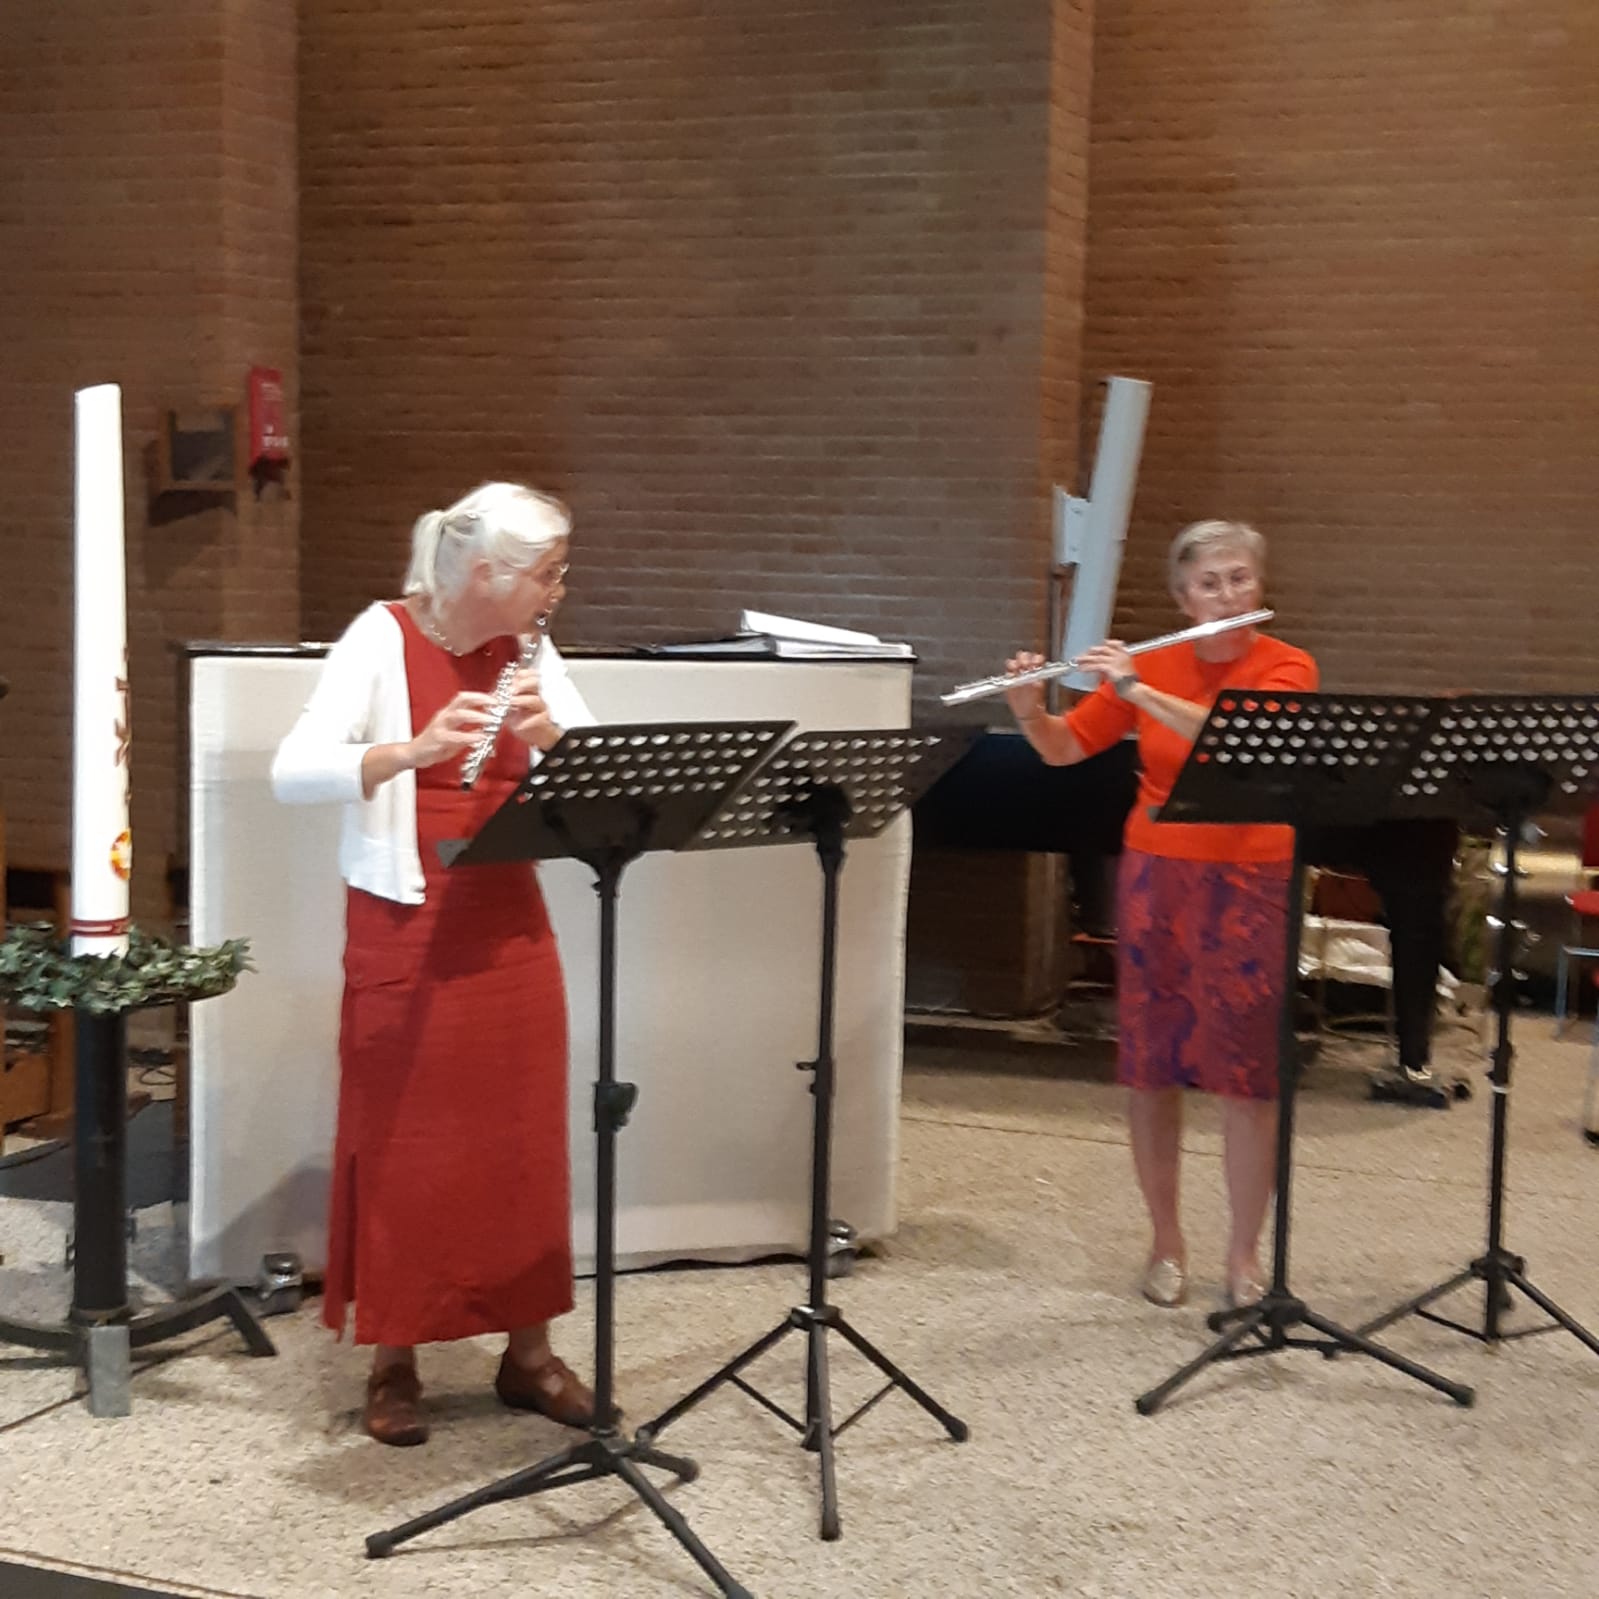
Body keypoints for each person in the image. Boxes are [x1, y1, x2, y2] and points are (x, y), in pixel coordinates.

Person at [271, 481, 600, 1445]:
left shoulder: (530, 649)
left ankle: (527, 1354)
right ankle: (395, 1359)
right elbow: (292, 770)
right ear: (487, 572)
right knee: (405, 1145)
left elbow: (599, 772)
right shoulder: (380, 635)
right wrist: (409, 751)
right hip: (404, 921)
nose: (557, 592)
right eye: (547, 574)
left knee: (520, 1141)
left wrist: (550, 739)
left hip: (506, 923)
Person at [1004, 520, 1318, 1310]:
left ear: (1258, 584)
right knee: (1151, 1067)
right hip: (1156, 877)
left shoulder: (1287, 665)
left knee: (1246, 1075)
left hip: (1250, 879)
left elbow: (1241, 740)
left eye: (1239, 577)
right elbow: (1063, 748)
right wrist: (1028, 709)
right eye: (1209, 583)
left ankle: (1243, 1256)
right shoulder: (1150, 663)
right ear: (1182, 598)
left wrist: (1135, 690)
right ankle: (1164, 1242)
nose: (1227, 594)